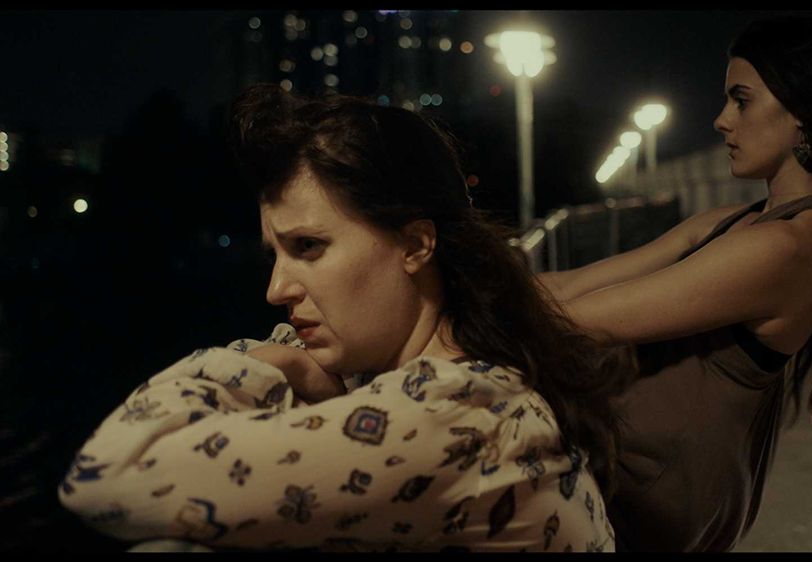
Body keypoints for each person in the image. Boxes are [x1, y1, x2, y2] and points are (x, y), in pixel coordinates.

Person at [57, 84, 629, 552]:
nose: (276, 289)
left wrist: (270, 362)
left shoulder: (458, 415)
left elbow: (105, 473)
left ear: (415, 245)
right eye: (276, 254)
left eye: (308, 246)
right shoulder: (457, 375)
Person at [539, 15, 812, 552]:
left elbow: (585, 321)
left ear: (802, 110)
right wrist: (473, 283)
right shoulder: (735, 221)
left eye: (741, 101)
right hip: (620, 465)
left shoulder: (788, 245)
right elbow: (571, 287)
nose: (720, 120)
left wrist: (464, 310)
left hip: (652, 495)